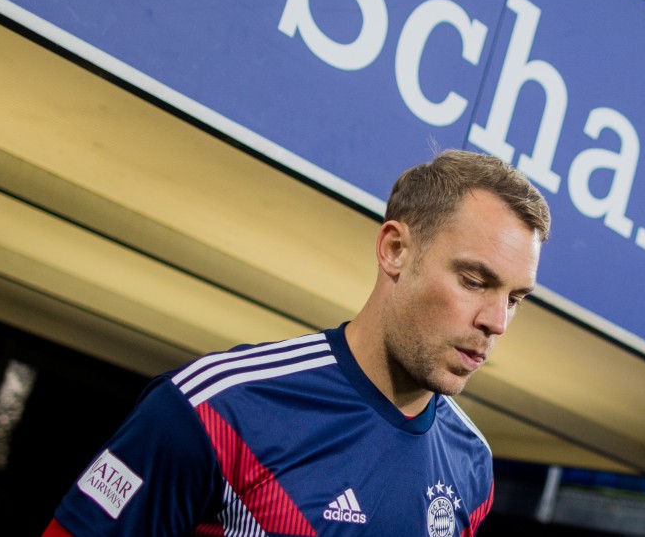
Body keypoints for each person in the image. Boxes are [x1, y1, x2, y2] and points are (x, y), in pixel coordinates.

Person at [43, 150, 550, 536]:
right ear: (396, 250)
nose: (497, 321)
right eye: (474, 281)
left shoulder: (473, 467)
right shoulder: (215, 409)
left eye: (516, 299)